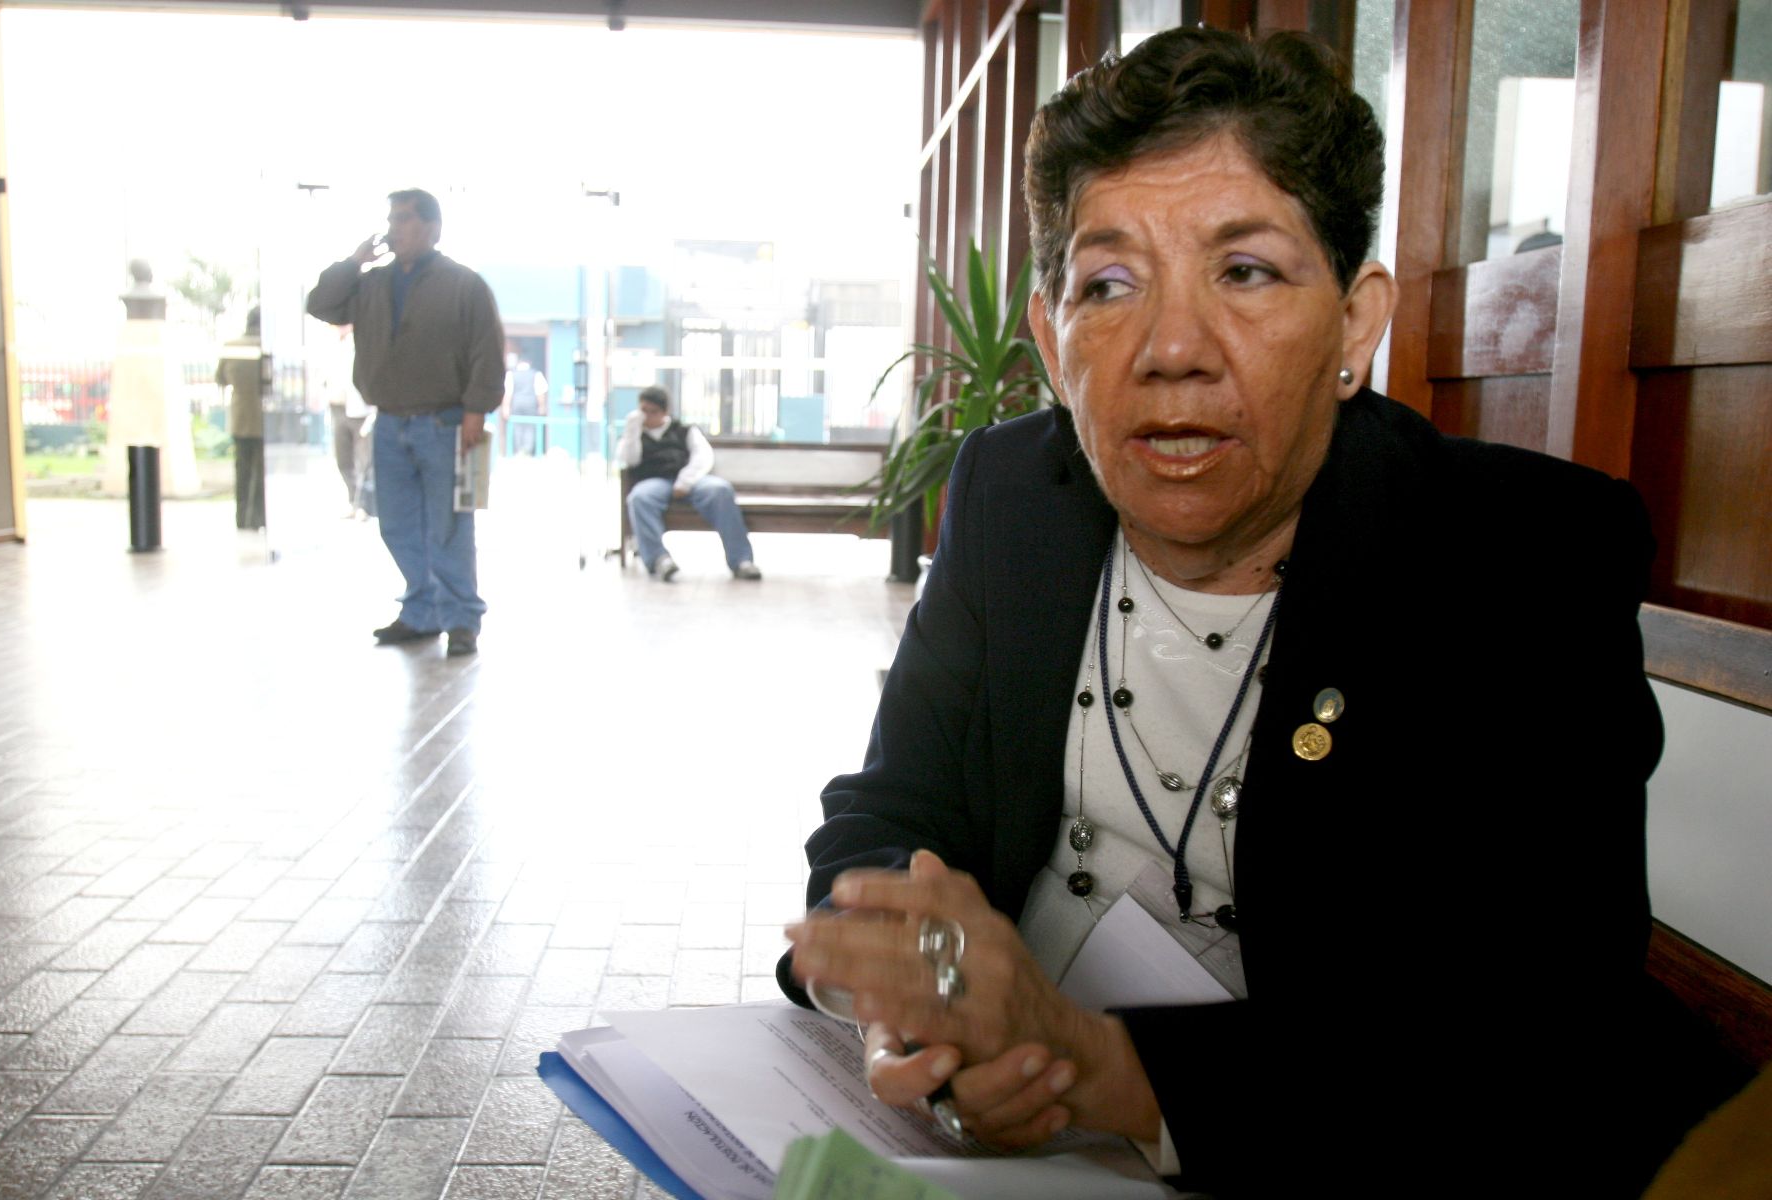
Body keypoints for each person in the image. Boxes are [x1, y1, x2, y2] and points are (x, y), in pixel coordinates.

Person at [780, 28, 1692, 1197]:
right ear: (1056, 344)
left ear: (1356, 324)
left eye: (1246, 271)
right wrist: (904, 1009)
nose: (1171, 350)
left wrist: (1105, 1070)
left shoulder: (1518, 555)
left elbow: (1544, 1025)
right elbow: (889, 811)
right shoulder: (1013, 499)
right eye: (1110, 284)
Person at [307, 188, 503, 657]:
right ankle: (421, 611)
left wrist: (476, 411)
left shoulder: (463, 284)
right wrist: (354, 261)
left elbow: (486, 351)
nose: (394, 228)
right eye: (391, 219)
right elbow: (320, 303)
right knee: (396, 524)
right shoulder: (370, 284)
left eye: (404, 220)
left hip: (447, 424)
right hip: (390, 424)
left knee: (449, 526)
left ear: (432, 229)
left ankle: (460, 618)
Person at [619, 385, 760, 581]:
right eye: (644, 410)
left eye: (654, 412)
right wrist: (632, 431)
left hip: (691, 480)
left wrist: (684, 482)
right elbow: (630, 459)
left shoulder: (685, 431)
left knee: (720, 490)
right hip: (655, 481)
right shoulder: (634, 433)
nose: (648, 416)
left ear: (665, 411)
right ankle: (659, 560)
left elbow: (702, 457)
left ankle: (742, 561)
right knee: (639, 498)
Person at [215, 306, 265, 530]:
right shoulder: (264, 347)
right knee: (261, 473)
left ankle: (242, 520)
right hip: (264, 419)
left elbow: (220, 378)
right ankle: (258, 519)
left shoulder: (232, 347)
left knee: (242, 472)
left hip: (240, 417)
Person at [321, 322, 373, 518]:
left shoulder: (361, 341)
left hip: (360, 409)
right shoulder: (329, 344)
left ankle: (362, 504)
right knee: (343, 457)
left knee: (363, 459)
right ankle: (352, 499)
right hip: (337, 406)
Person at [503, 348, 549, 457]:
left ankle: (518, 451)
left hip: (516, 404)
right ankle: (527, 451)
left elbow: (508, 392)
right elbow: (540, 392)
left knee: (517, 426)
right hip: (531, 404)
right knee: (530, 427)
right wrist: (542, 406)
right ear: (530, 363)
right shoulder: (536, 374)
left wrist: (506, 407)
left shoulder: (511, 374)